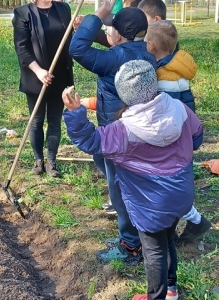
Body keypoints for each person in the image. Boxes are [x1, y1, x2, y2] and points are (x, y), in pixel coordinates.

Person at [62, 60, 203, 300]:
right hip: (180, 194)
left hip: (150, 205)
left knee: (154, 252)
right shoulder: (179, 109)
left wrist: (75, 113)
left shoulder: (123, 130)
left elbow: (90, 142)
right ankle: (171, 289)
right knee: (168, 238)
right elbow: (196, 139)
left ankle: (156, 296)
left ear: (123, 93)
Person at [82, 0, 212, 244]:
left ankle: (145, 239)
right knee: (169, 188)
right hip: (173, 140)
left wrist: (95, 19)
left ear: (151, 41)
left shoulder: (158, 77)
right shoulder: (169, 67)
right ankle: (181, 226)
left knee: (159, 188)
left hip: (158, 138)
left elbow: (161, 115)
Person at [70, 1, 156, 266]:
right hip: (141, 130)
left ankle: (130, 245)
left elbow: (77, 48)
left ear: (118, 34)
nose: (109, 34)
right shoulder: (146, 53)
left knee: (118, 187)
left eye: (111, 30)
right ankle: (137, 235)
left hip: (116, 133)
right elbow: (112, 48)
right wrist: (92, 25)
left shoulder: (114, 59)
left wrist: (96, 16)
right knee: (120, 178)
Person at [12, 0, 74, 177]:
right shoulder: (23, 13)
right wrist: (39, 71)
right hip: (35, 76)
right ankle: (38, 160)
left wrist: (75, 28)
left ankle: (51, 161)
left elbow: (68, 38)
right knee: (37, 121)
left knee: (55, 121)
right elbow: (22, 48)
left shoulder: (63, 8)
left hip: (59, 74)